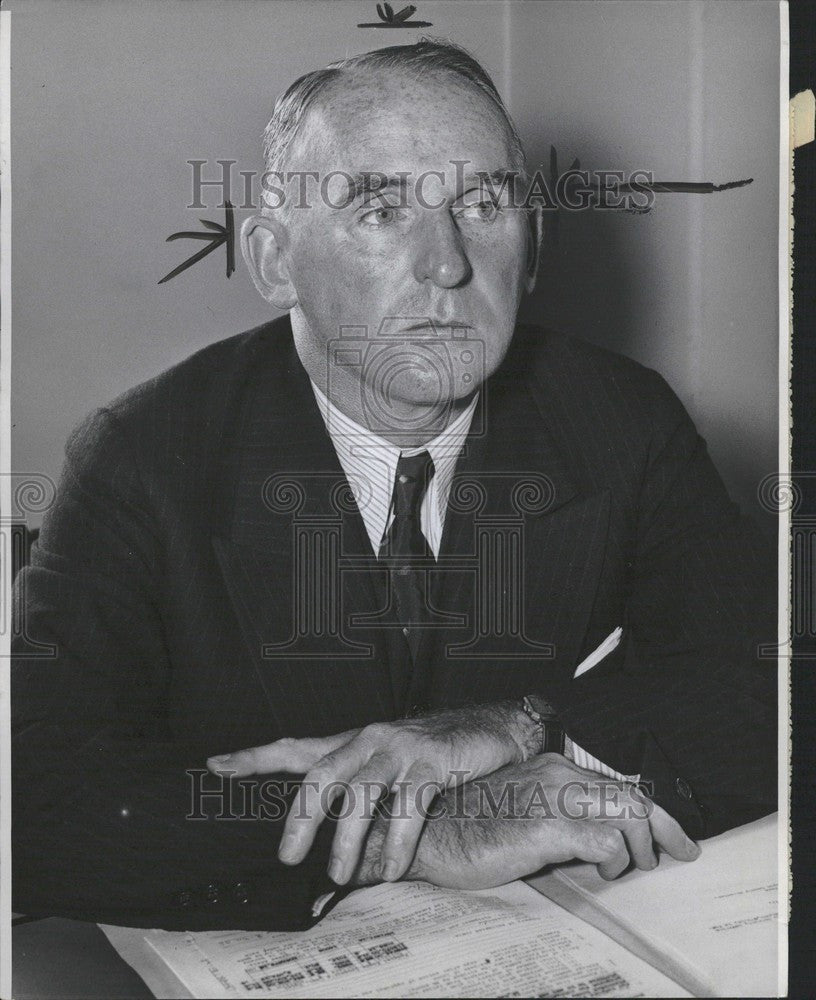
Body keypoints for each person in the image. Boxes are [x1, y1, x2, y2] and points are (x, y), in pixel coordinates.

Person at [12, 40, 776, 932]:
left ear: (532, 250)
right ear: (272, 259)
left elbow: (766, 682)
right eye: (378, 208)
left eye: (482, 204)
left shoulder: (620, 419)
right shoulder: (142, 457)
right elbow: (33, 792)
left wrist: (527, 722)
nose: (448, 264)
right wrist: (412, 833)